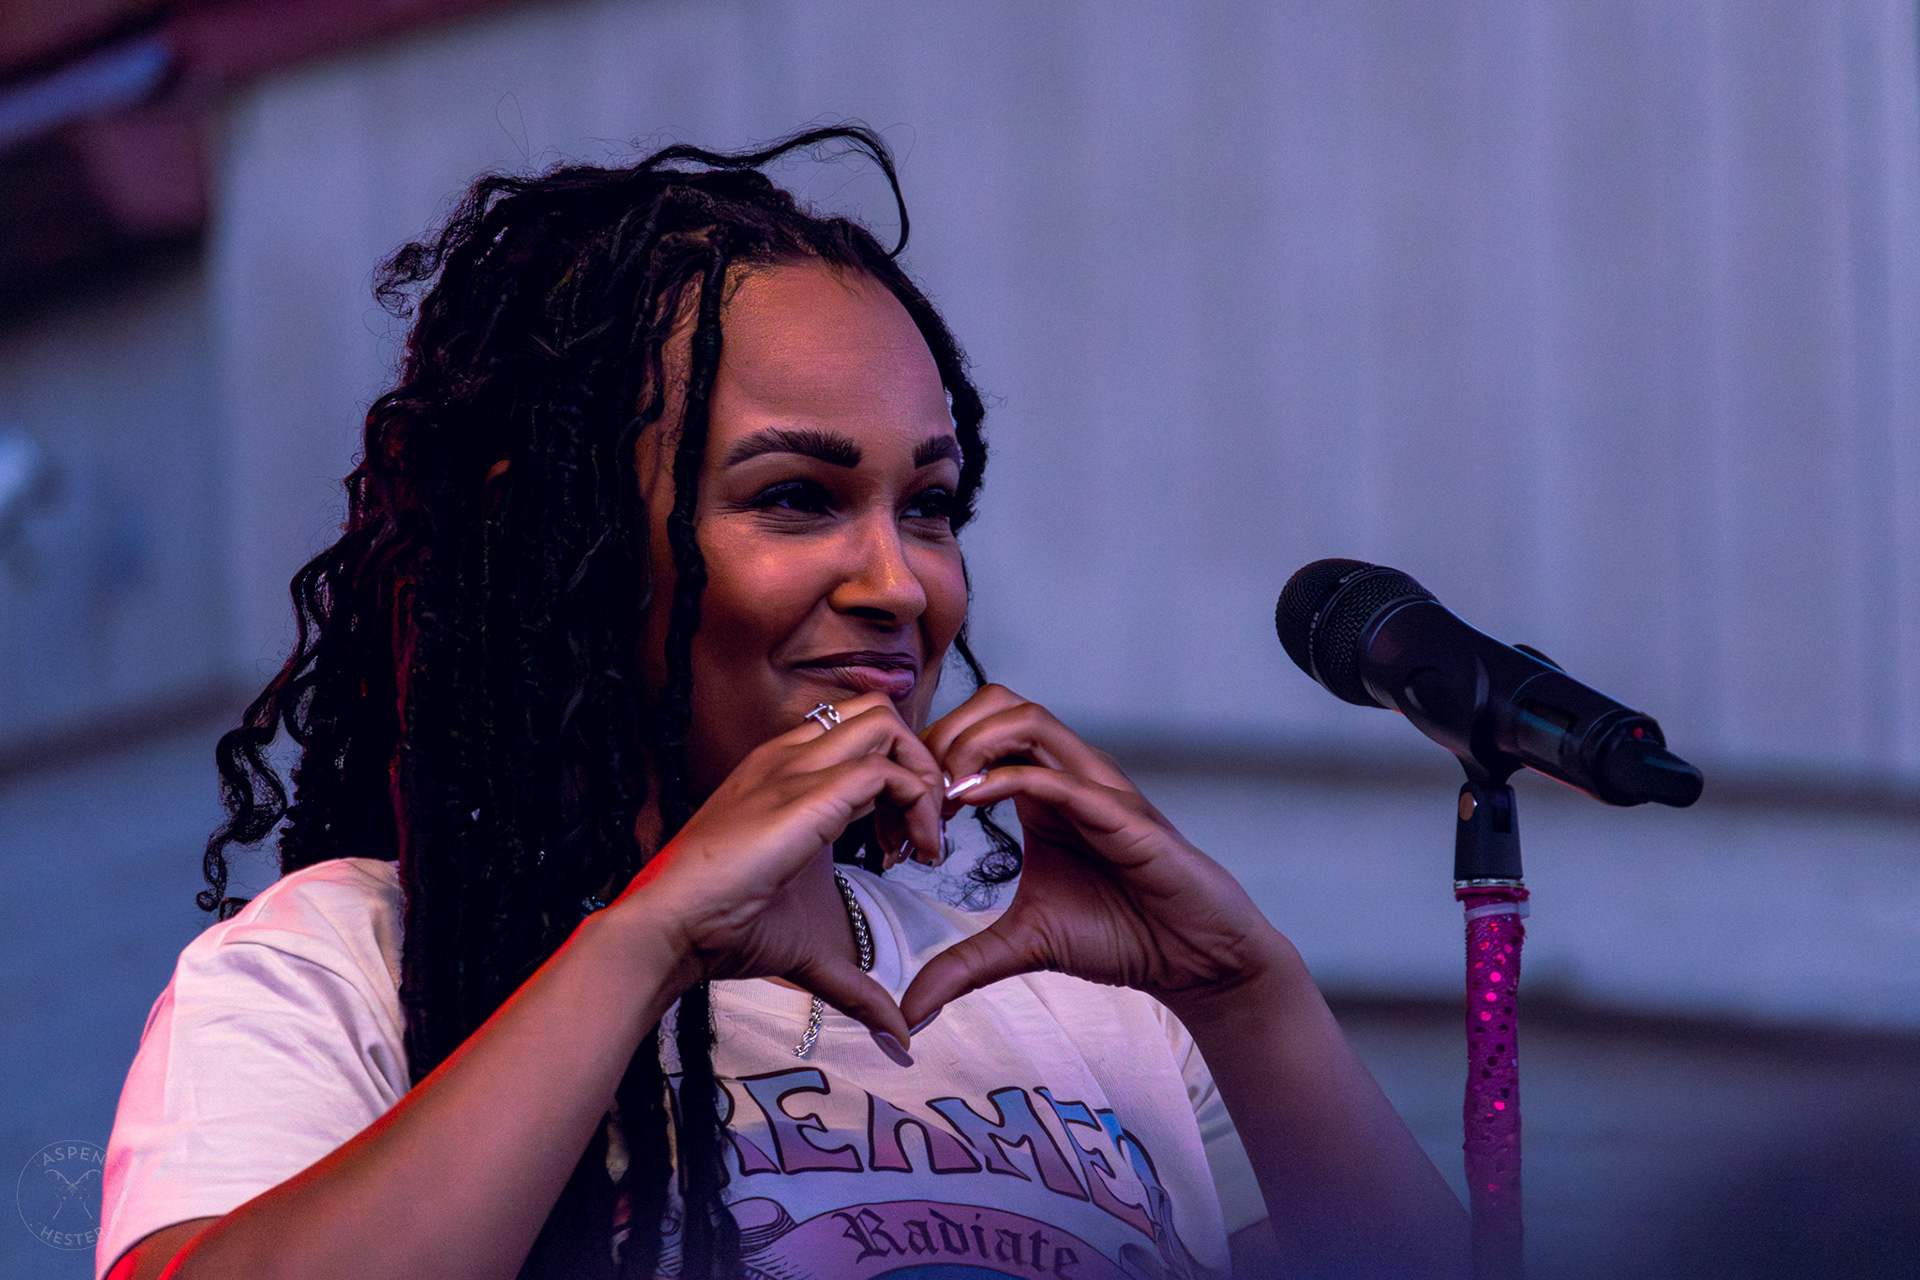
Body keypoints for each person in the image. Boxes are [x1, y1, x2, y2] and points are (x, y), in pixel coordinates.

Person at [97, 128, 1467, 1280]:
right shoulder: (343, 965)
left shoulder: (1085, 996)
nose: (900, 583)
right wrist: (644, 943)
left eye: (927, 507)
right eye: (796, 498)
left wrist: (1245, 993)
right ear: (559, 542)